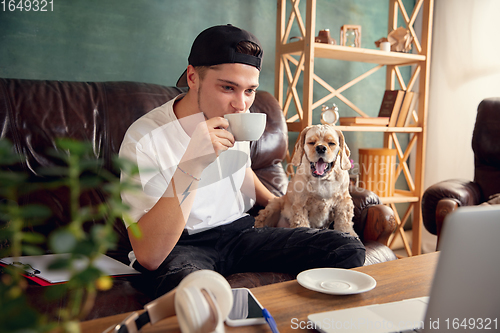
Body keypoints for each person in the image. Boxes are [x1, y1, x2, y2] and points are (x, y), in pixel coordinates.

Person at [119, 24, 365, 298]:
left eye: (250, 91)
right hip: (182, 244)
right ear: (192, 77)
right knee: (192, 292)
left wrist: (280, 204)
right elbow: (149, 256)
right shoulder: (144, 138)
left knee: (346, 248)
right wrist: (192, 164)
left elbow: (241, 172)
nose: (241, 104)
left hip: (240, 233)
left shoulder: (237, 119)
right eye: (228, 87)